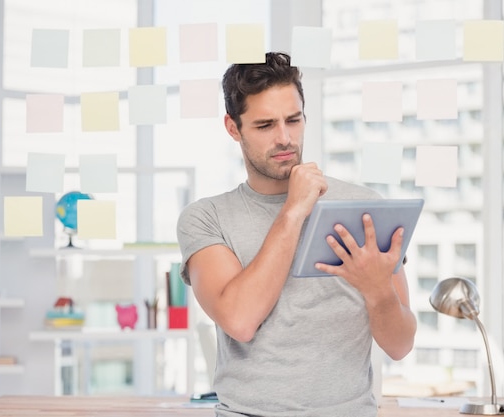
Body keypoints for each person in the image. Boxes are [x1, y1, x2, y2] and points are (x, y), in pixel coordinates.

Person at [177, 52, 417, 417]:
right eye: (264, 126)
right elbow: (240, 321)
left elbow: (401, 345)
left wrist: (377, 288)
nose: (285, 138)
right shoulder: (206, 218)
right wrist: (294, 210)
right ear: (232, 127)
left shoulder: (364, 207)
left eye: (294, 120)